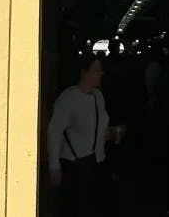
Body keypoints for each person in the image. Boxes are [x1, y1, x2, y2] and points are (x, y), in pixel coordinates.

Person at [48, 53, 124, 217]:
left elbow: (95, 129)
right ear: (84, 72)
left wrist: (111, 133)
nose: (100, 73)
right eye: (96, 70)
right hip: (75, 167)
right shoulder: (69, 97)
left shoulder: (98, 96)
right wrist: (54, 166)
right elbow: (55, 131)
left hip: (96, 163)